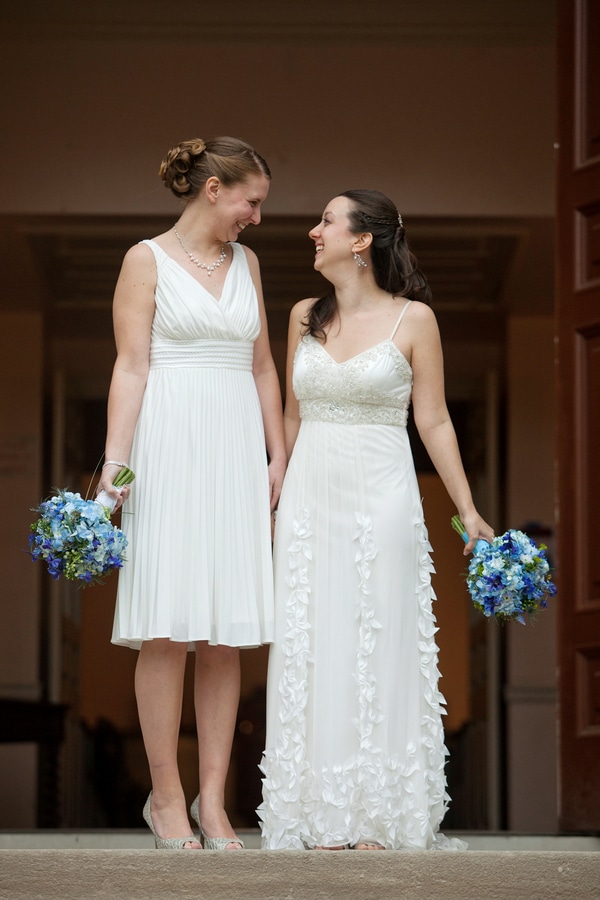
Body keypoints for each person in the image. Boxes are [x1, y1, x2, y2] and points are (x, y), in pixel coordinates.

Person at [258, 189, 494, 851]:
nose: (313, 231)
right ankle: (318, 814)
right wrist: (275, 487)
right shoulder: (304, 315)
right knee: (312, 641)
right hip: (309, 499)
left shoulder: (414, 320)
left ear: (362, 240)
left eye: (326, 222)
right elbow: (293, 416)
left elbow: (435, 419)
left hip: (384, 496)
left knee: (379, 639)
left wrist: (468, 509)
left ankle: (379, 818)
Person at [98, 137, 286, 850]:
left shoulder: (249, 264)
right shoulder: (143, 261)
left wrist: (277, 455)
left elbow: (264, 367)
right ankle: (167, 798)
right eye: (252, 201)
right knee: (169, 628)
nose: (257, 217)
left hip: (236, 456)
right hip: (170, 450)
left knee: (225, 635)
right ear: (213, 189)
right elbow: (131, 370)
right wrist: (114, 472)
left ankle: (215, 801)